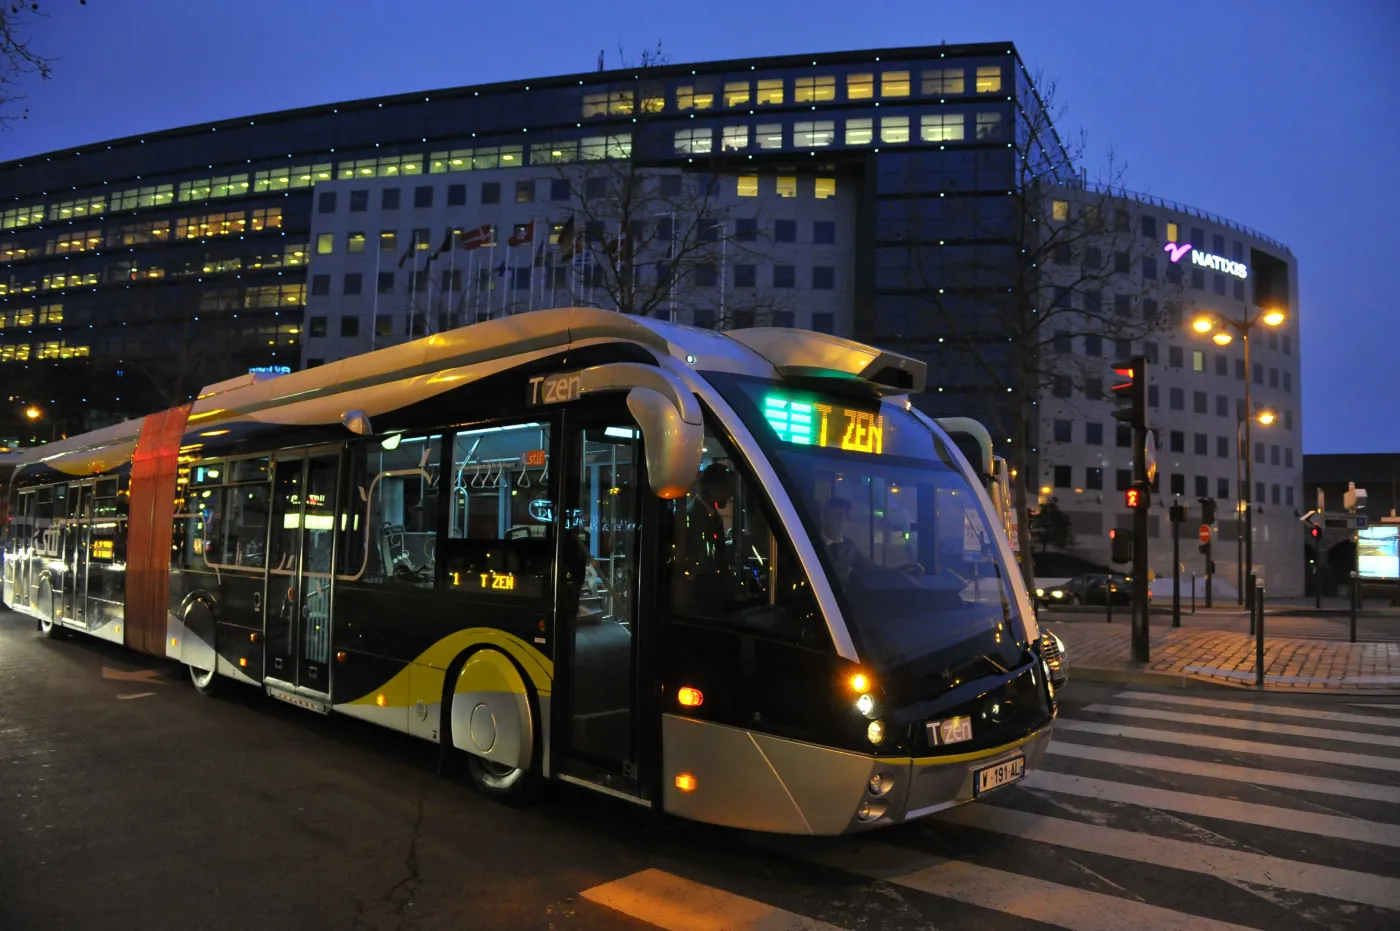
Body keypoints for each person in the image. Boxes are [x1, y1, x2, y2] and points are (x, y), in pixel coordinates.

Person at [821, 496, 873, 581]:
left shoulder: (849, 545)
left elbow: (867, 565)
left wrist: (893, 571)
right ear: (825, 518)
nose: (841, 521)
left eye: (844, 517)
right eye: (837, 516)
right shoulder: (811, 544)